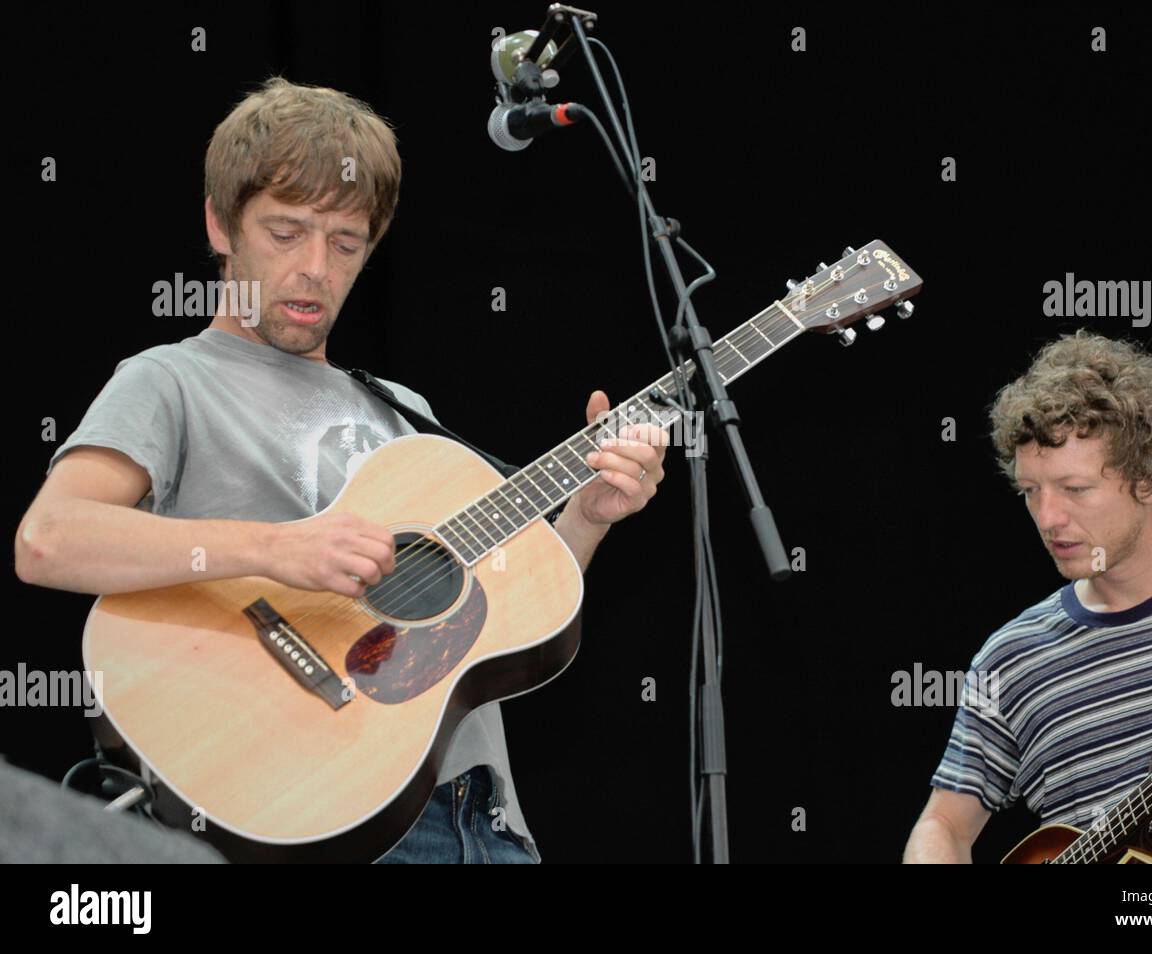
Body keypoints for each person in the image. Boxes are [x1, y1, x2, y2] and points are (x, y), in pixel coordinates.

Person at [14, 77, 668, 864]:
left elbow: (510, 606)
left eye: (346, 243)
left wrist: (586, 516)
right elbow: (49, 540)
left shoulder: (404, 408)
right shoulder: (168, 379)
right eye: (287, 233)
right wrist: (279, 549)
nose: (316, 268)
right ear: (221, 225)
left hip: (484, 823)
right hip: (321, 813)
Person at [903, 330, 1152, 863]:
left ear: (1151, 478)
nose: (1048, 518)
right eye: (1031, 492)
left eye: (1076, 489)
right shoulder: (1011, 656)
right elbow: (943, 825)